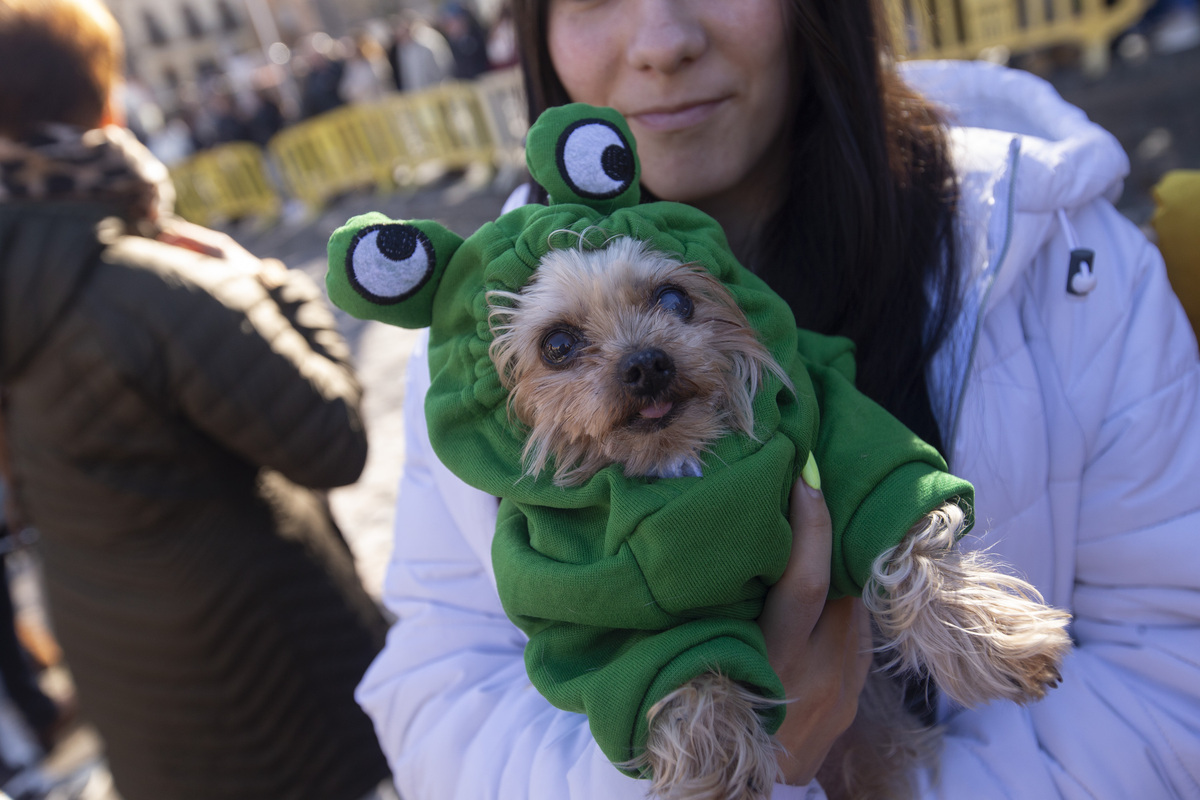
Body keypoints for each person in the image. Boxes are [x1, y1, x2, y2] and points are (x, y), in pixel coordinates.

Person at [355, 0, 1200, 798]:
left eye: (673, 301)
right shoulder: (463, 367)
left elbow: (1172, 668)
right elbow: (441, 686)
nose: (661, 40)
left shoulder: (1063, 251)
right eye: (565, 345)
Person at [0, 1, 395, 799]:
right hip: (270, 673)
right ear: (103, 104)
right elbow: (334, 438)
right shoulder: (143, 283)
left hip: (127, 676)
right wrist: (258, 277)